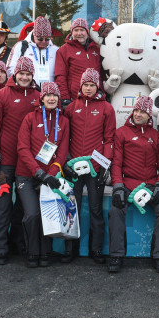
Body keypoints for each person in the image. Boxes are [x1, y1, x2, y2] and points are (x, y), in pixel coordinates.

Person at [108, 96, 159, 274]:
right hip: (128, 183)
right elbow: (117, 163)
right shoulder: (122, 132)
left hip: (150, 184)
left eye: (142, 112)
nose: (138, 114)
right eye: (136, 111)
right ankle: (117, 255)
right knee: (115, 209)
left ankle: (158, 256)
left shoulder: (155, 135)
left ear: (149, 115)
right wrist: (118, 186)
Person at [0, 56, 41, 264]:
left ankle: (19, 242)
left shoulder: (38, 96)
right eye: (22, 73)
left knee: (24, 207)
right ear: (15, 74)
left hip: (27, 162)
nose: (25, 77)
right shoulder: (1, 96)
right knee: (3, 205)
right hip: (6, 161)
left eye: (28, 74)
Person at [62, 68, 116, 263]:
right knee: (72, 208)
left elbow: (109, 139)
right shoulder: (71, 107)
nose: (89, 88)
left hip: (95, 167)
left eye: (92, 85)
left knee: (95, 209)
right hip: (74, 166)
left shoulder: (106, 108)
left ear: (98, 86)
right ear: (81, 86)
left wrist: (105, 165)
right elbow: (64, 137)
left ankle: (96, 250)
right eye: (86, 85)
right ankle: (71, 249)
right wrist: (66, 162)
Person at [15, 82, 70, 267]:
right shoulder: (30, 118)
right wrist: (38, 173)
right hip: (27, 174)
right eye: (48, 95)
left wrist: (50, 174)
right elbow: (22, 148)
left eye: (55, 96)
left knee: (48, 214)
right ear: (42, 98)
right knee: (32, 214)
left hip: (49, 177)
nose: (52, 98)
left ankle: (45, 252)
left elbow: (62, 153)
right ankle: (32, 252)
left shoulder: (64, 121)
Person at [55, 17, 102, 109]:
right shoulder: (64, 50)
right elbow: (60, 76)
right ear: (71, 32)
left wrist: (103, 92)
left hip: (96, 97)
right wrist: (65, 98)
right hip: (75, 99)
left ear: (87, 32)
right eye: (76, 30)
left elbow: (102, 74)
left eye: (82, 30)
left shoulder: (96, 49)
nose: (79, 33)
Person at [7, 16, 58, 85]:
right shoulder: (21, 46)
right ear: (33, 34)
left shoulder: (55, 50)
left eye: (47, 39)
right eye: (40, 39)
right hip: (27, 90)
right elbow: (10, 69)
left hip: (49, 93)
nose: (43, 42)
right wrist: (23, 82)